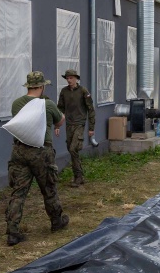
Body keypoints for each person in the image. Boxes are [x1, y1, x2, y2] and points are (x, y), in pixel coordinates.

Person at [6, 71, 69, 246]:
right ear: (41, 87)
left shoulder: (16, 104)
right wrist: (56, 122)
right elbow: (60, 119)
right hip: (42, 152)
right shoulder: (47, 104)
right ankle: (57, 222)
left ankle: (12, 232)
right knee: (49, 189)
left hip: (19, 151)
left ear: (28, 86)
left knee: (18, 193)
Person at [57, 69, 95, 187]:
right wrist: (57, 124)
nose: (69, 80)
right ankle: (79, 176)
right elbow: (60, 109)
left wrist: (91, 128)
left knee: (74, 149)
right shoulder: (64, 92)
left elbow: (91, 109)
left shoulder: (83, 91)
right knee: (71, 149)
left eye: (71, 78)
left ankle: (78, 176)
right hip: (69, 124)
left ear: (76, 79)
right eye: (67, 78)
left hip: (80, 124)